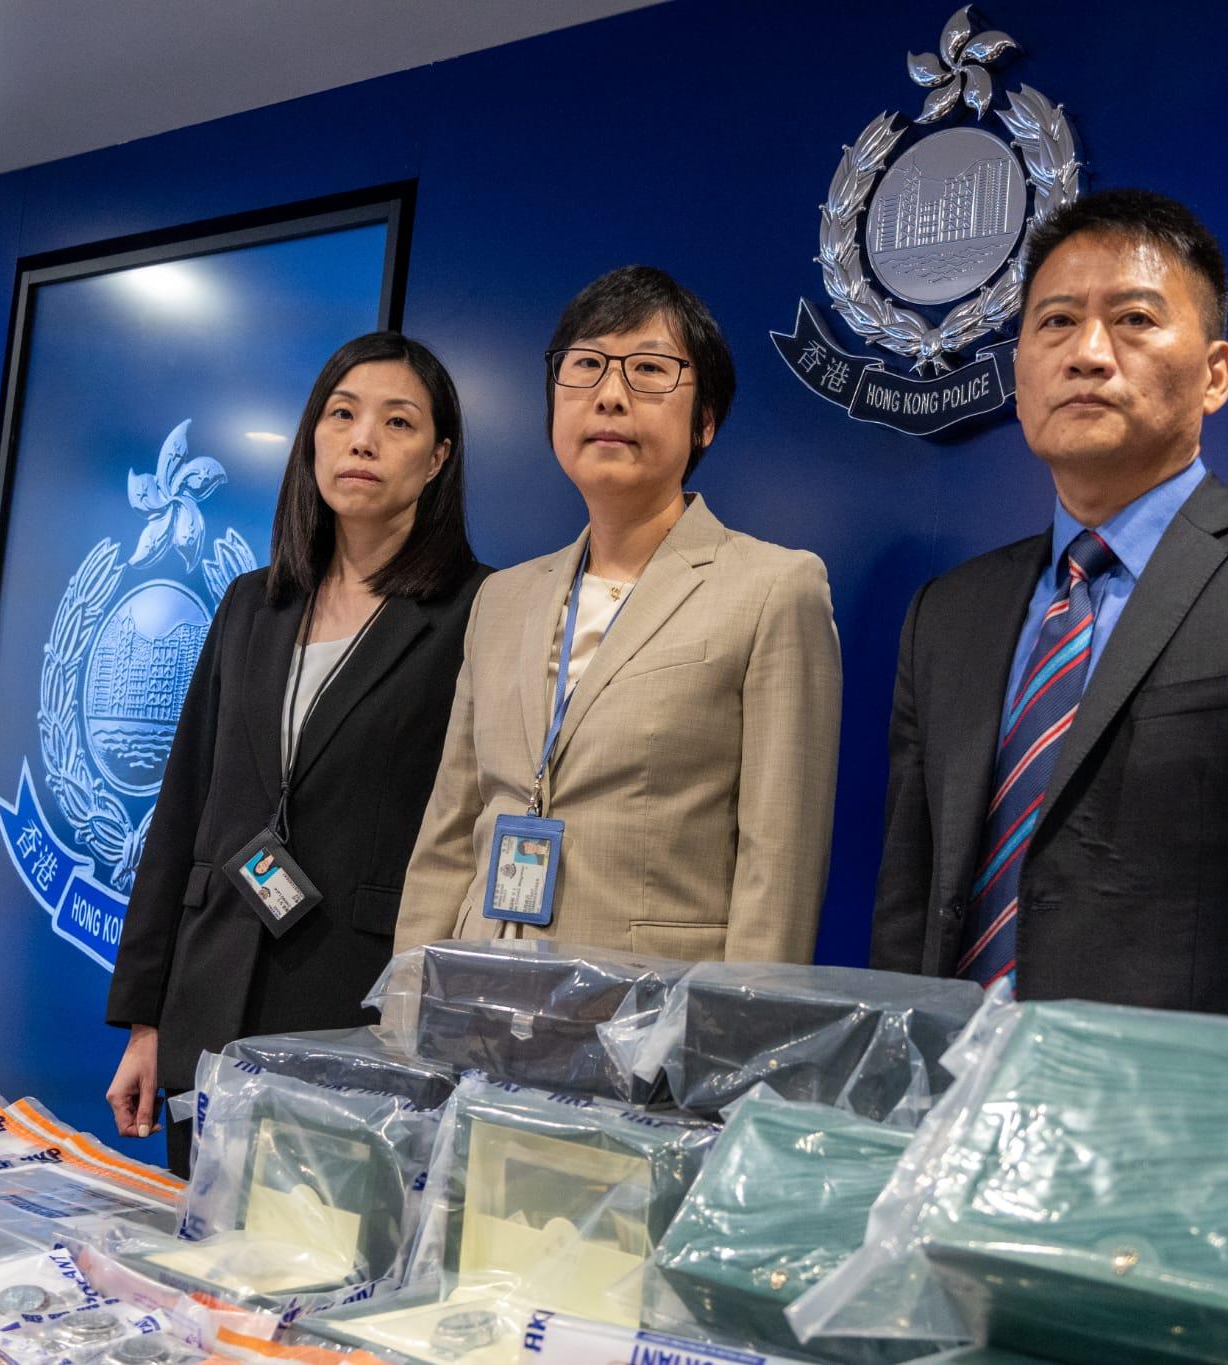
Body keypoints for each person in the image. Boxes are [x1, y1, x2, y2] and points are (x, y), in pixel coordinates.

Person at [869, 190, 1228, 1030]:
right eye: (1056, 322)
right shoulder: (947, 615)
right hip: (953, 1092)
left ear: (1216, 375)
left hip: (1184, 1106)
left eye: (1134, 319)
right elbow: (908, 914)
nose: (1088, 353)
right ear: (1019, 377)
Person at [105, 332, 487, 1173]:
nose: (363, 440)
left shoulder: (476, 613)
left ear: (437, 458)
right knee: (198, 1241)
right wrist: (146, 1019)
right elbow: (183, 806)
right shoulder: (253, 602)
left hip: (355, 1010)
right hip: (209, 999)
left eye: (398, 422)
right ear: (312, 437)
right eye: (342, 415)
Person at [394, 266, 842, 963]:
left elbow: (777, 870)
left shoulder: (774, 589)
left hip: (649, 1009)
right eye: (586, 366)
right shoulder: (501, 599)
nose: (609, 394)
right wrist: (408, 1004)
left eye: (649, 370)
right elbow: (448, 838)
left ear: (705, 422)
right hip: (477, 999)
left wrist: (733, 1028)